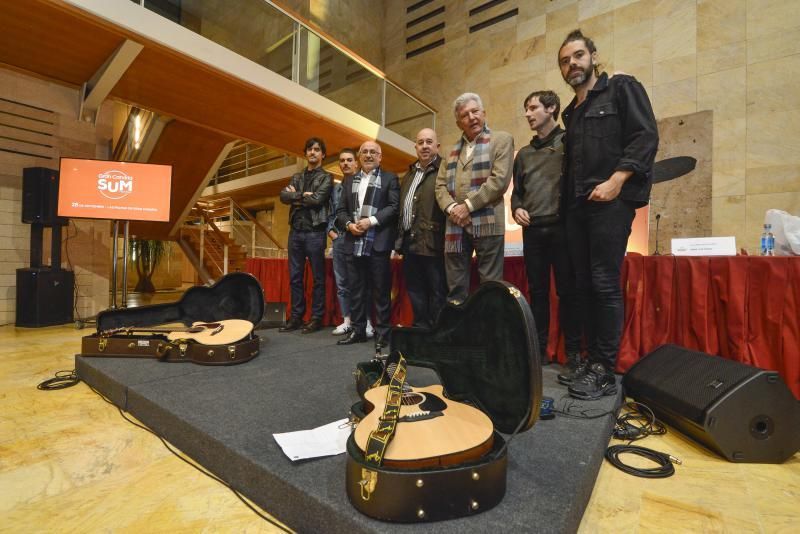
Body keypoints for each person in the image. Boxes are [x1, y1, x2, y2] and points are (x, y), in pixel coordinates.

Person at [557, 29, 658, 399]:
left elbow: (645, 136)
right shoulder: (572, 112)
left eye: (578, 56)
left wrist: (617, 180)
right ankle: (588, 358)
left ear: (593, 56)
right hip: (577, 207)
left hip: (610, 202)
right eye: (566, 61)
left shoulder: (622, 88)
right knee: (582, 286)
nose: (573, 64)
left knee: (603, 282)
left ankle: (603, 367)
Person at [511, 90, 582, 366]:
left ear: (551, 108)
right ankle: (539, 350)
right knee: (537, 293)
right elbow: (517, 192)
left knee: (568, 291)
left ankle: (573, 351)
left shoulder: (568, 141)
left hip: (563, 229)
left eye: (533, 108)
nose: (528, 114)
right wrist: (516, 208)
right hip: (533, 233)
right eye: (526, 109)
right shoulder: (524, 154)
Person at [435, 93, 514, 304]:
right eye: (465, 115)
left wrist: (467, 206)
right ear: (459, 123)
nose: (471, 117)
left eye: (475, 111)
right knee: (455, 287)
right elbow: (440, 186)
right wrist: (453, 209)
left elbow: (499, 182)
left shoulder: (502, 139)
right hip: (455, 225)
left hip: (488, 223)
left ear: (484, 113)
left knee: (490, 286)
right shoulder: (449, 151)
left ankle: (488, 334)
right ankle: (458, 334)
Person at [335, 141, 400, 350]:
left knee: (381, 292)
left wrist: (370, 221)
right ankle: (358, 331)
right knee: (356, 291)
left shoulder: (390, 178)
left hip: (378, 243)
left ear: (380, 157)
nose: (369, 155)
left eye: (374, 152)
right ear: (359, 156)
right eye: (365, 152)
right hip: (353, 243)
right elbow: (341, 211)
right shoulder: (348, 181)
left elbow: (393, 207)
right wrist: (349, 225)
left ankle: (383, 334)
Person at [278, 137, 332, 334]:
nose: (313, 152)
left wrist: (297, 196)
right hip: (296, 233)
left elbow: (318, 200)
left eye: (317, 149)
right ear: (306, 153)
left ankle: (316, 318)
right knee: (295, 278)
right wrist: (304, 196)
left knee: (318, 279)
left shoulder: (326, 177)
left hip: (315, 233)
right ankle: (296, 317)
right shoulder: (296, 177)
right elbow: (284, 196)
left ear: (322, 154)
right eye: (309, 149)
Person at [395, 128, 447, 328]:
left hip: (434, 241)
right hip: (410, 241)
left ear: (437, 146)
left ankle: (437, 333)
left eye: (429, 142)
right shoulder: (409, 174)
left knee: (437, 290)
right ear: (415, 147)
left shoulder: (445, 169)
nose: (424, 146)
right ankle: (421, 329)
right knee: (415, 289)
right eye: (420, 142)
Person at [327, 148, 356, 336]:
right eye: (342, 161)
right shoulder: (335, 190)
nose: (345, 163)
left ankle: (365, 321)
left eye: (349, 160)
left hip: (358, 239)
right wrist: (331, 233)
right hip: (339, 240)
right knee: (342, 282)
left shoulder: (362, 185)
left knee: (360, 282)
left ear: (356, 163)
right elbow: (330, 214)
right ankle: (347, 320)